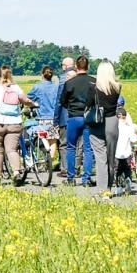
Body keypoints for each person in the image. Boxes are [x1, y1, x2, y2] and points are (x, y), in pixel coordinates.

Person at [0, 67, 38, 184]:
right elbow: (26, 100)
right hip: (14, 122)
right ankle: (16, 172)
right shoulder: (16, 88)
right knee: (12, 150)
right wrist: (33, 104)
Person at [59, 55, 96, 185]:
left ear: (76, 66)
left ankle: (71, 178)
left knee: (71, 148)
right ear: (88, 66)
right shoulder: (93, 82)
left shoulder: (69, 83)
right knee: (88, 149)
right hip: (89, 118)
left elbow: (63, 101)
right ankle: (86, 178)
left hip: (73, 117)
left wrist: (71, 107)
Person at [86, 61, 122, 190]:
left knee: (100, 158)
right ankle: (109, 188)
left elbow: (88, 103)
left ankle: (102, 190)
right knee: (111, 158)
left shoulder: (93, 88)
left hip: (98, 122)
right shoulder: (117, 87)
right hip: (112, 121)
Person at [27, 66, 63, 172]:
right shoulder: (57, 87)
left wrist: (34, 104)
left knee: (39, 138)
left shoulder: (37, 87)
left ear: (42, 74)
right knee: (53, 141)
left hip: (42, 118)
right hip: (54, 118)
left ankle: (39, 159)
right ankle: (49, 162)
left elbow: (27, 99)